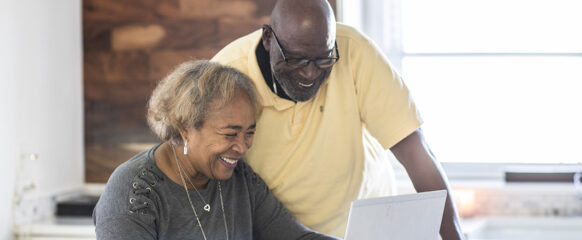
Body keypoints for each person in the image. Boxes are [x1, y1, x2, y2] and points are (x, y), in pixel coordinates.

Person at [210, 0, 464, 239]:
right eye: (296, 59)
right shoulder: (226, 75)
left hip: (366, 226)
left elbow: (415, 152)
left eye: (323, 59)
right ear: (268, 38)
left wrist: (455, 236)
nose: (310, 73)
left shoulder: (354, 50)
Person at [93, 60, 338, 240]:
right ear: (185, 128)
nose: (242, 147)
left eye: (249, 132)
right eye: (229, 134)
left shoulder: (241, 180)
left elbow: (297, 238)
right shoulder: (132, 193)